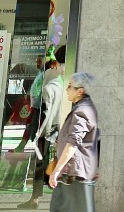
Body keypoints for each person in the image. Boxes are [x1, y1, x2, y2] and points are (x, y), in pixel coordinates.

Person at [18, 48, 66, 209]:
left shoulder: (49, 86)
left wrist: (38, 132)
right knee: (46, 163)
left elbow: (43, 112)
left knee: (40, 164)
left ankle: (35, 199)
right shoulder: (60, 83)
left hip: (46, 130)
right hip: (55, 128)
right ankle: (37, 198)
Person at [49, 72, 99, 212]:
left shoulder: (81, 111)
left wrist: (57, 169)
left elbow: (73, 143)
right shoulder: (85, 108)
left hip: (74, 175)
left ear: (80, 91)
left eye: (70, 86)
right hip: (75, 173)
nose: (67, 89)